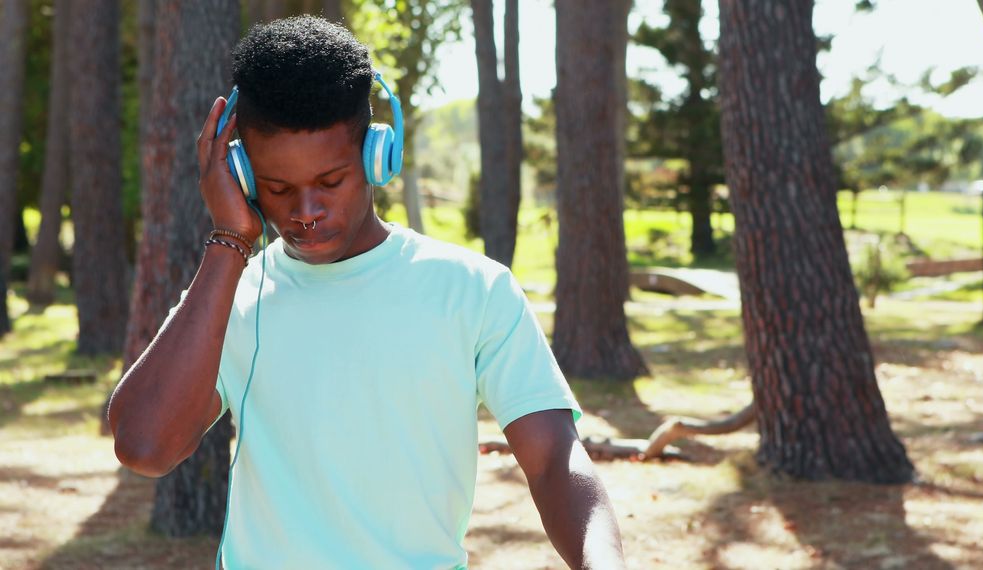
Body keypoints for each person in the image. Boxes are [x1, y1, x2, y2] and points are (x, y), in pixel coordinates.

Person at [107, 16, 624, 569]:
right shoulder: (230, 295)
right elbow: (145, 447)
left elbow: (553, 461)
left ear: (380, 155)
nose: (306, 213)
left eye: (331, 182)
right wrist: (229, 240)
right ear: (243, 175)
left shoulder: (472, 289)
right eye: (278, 189)